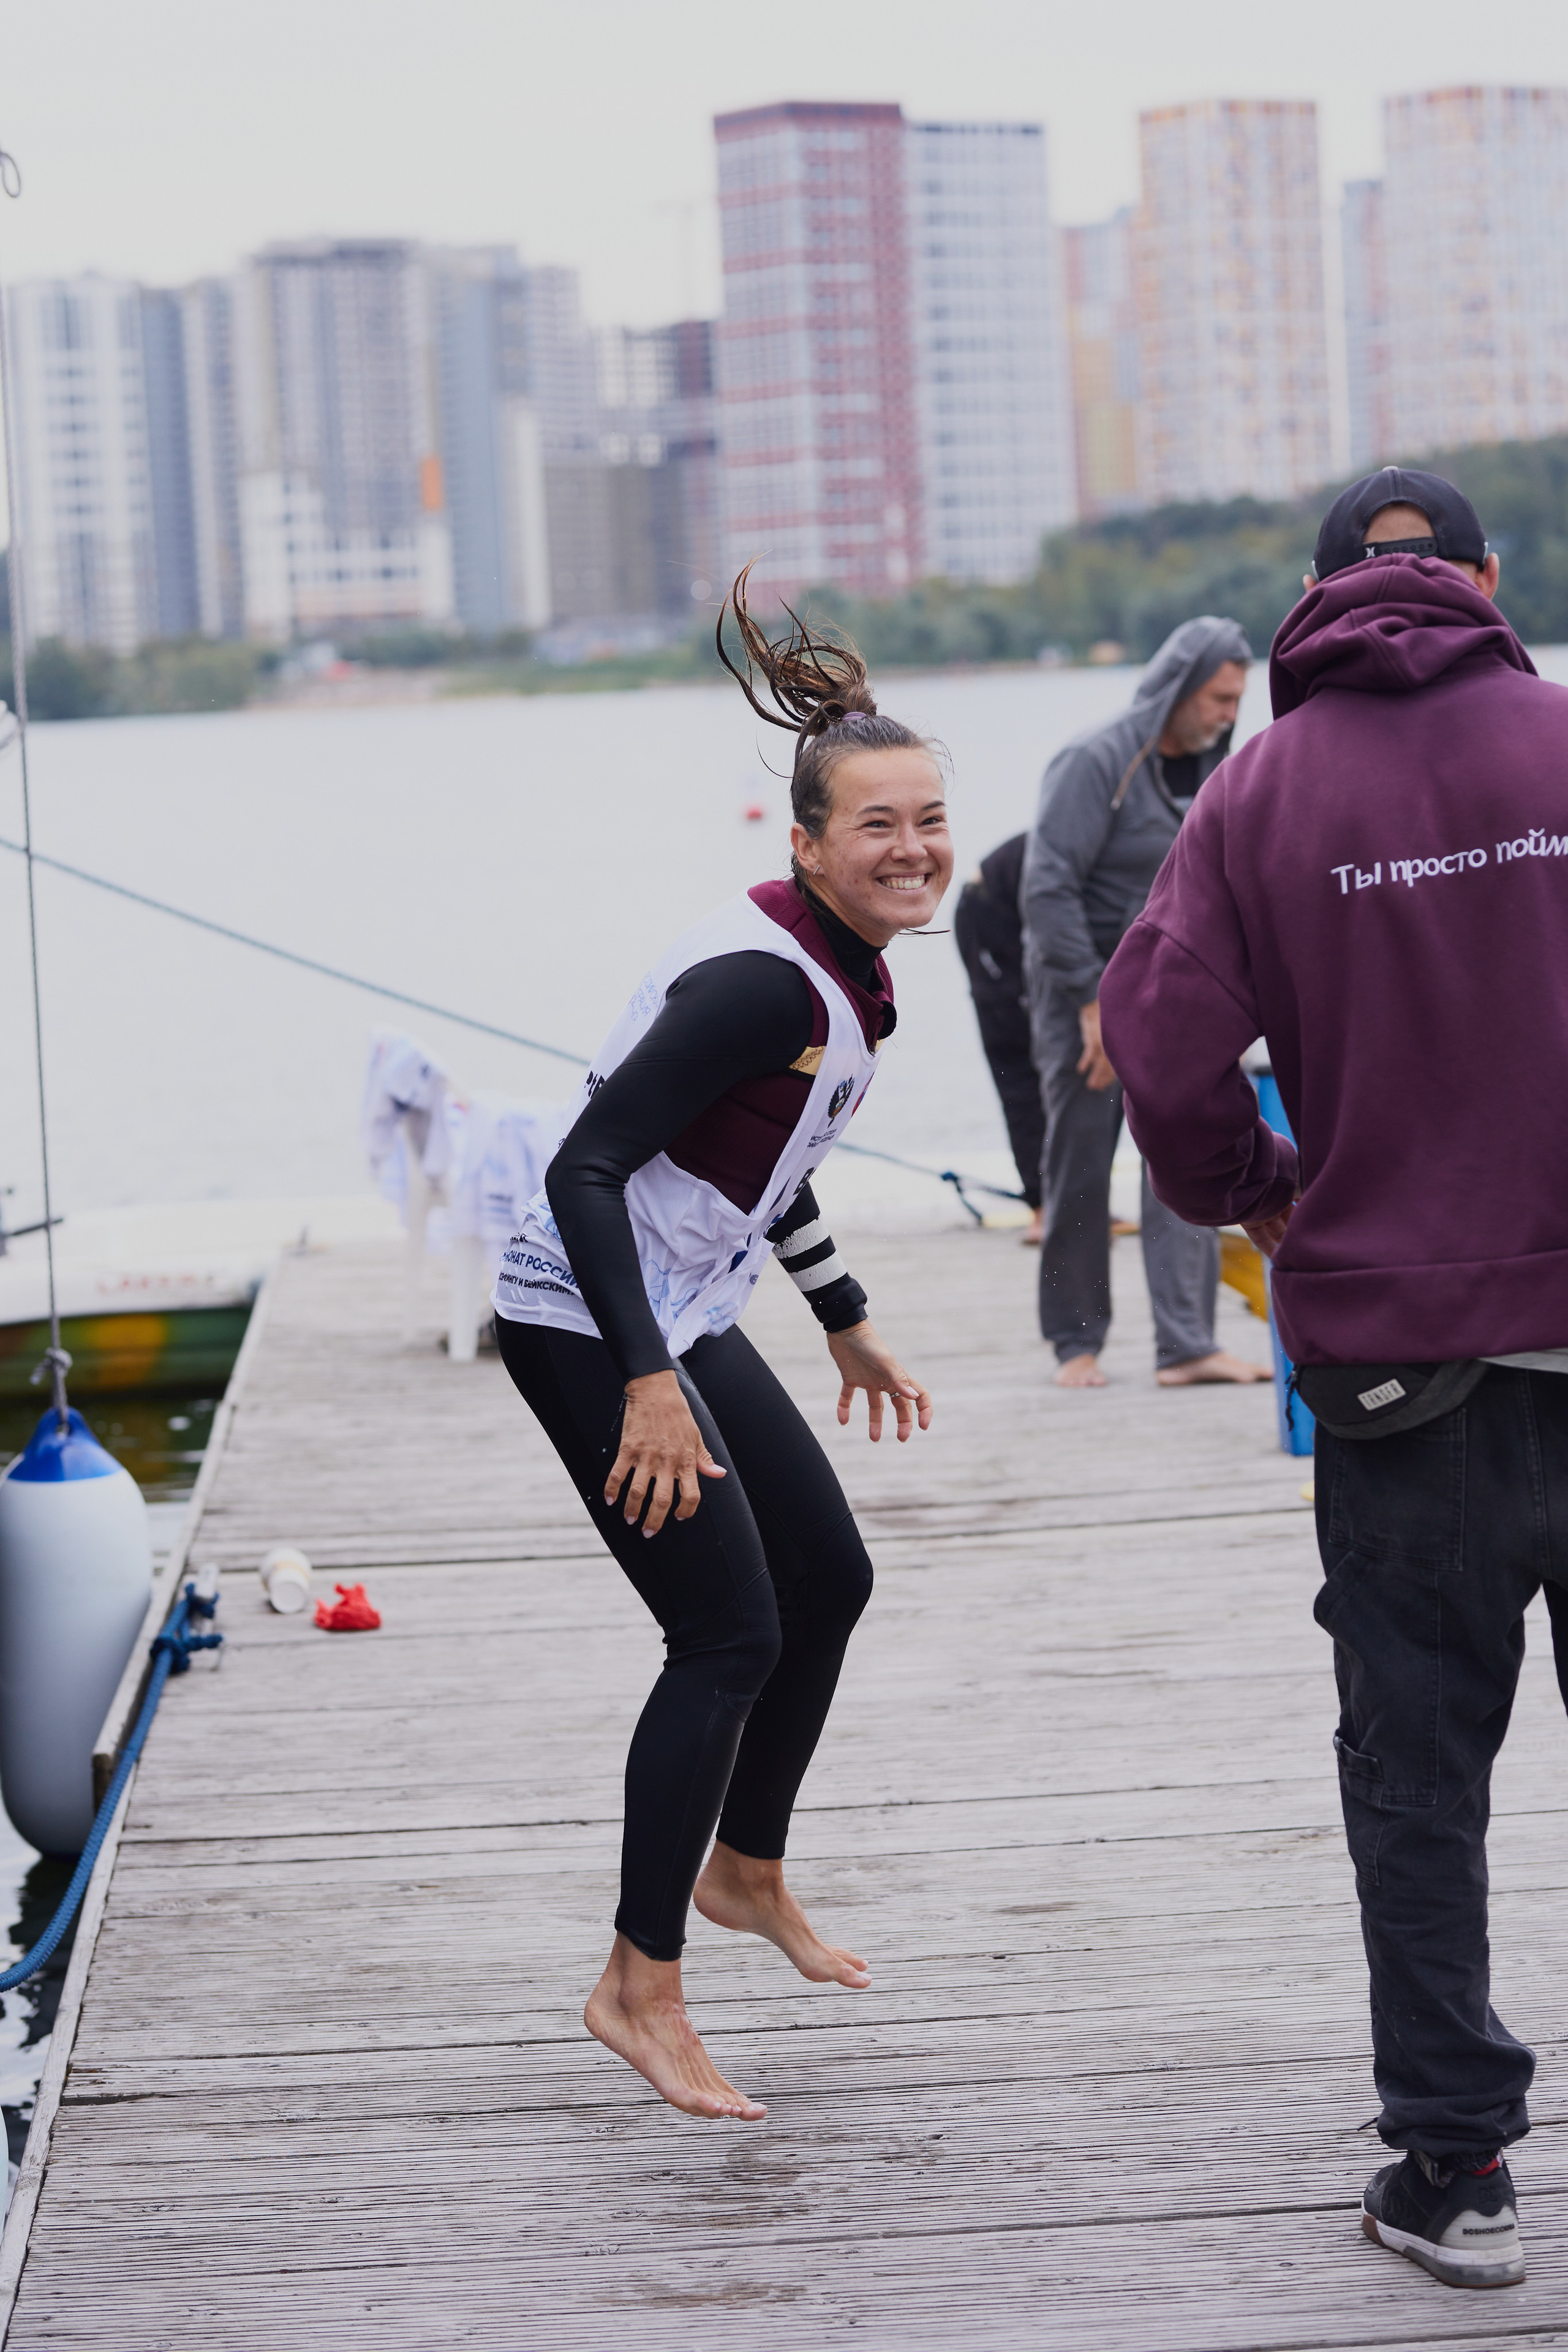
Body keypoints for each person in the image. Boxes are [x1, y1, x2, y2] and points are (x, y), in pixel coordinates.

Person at [1099, 466, 1567, 2290]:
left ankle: (1455, 2167)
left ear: (1311, 601)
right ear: (1484, 578)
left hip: (1397, 1373)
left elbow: (1153, 1041)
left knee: (1415, 1772)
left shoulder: (1262, 788)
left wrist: (1252, 1188)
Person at [492, 569, 951, 2124]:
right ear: (808, 843)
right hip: (584, 1316)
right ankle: (638, 1979)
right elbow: (584, 1169)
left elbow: (761, 1157)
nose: (912, 848)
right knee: (726, 1635)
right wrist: (644, 1384)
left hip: (677, 1307)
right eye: (876, 825)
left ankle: (744, 1868)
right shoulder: (764, 981)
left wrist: (842, 1314)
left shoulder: (831, 966)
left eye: (928, 820)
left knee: (831, 1578)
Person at [1020, 619, 1270, 1388]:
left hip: (1170, 994)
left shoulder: (1214, 764)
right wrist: (1092, 1004)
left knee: (1190, 1152)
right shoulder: (1095, 761)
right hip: (1081, 986)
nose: (1229, 713)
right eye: (1218, 698)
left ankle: (1186, 1345)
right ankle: (1075, 1342)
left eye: (1237, 699)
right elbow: (1046, 887)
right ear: (1176, 688)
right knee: (1081, 1162)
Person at [953, 833, 1044, 1241]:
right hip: (989, 912)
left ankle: (1077, 1199)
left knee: (1083, 1072)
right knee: (1022, 1068)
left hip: (1025, 912)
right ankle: (1045, 1206)